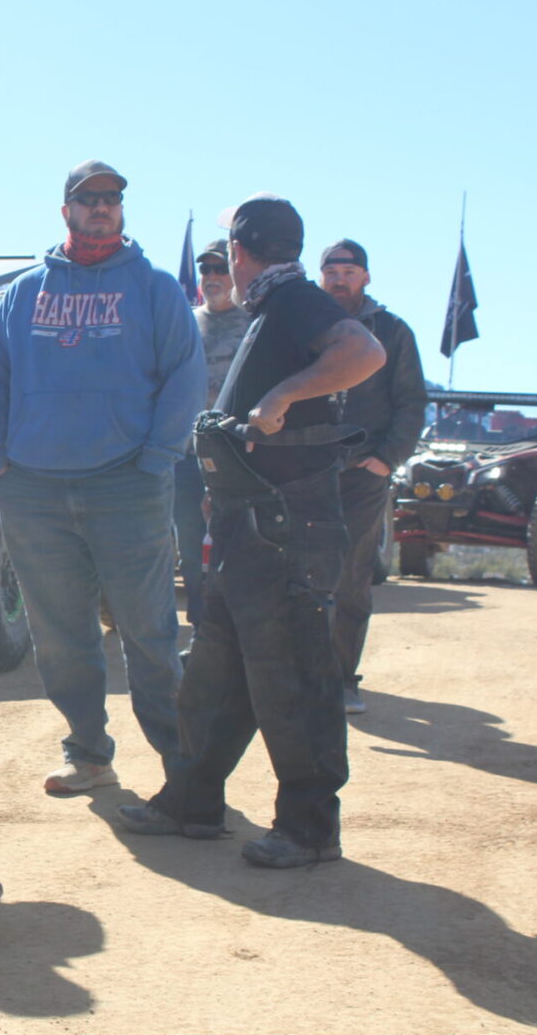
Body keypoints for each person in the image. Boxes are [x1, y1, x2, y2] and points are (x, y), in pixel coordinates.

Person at [117, 194, 385, 868]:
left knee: (292, 674)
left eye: (228, 253)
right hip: (250, 521)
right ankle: (193, 799)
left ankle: (310, 827)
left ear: (240, 251)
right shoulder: (271, 310)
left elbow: (365, 350)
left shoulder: (293, 301)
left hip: (286, 522)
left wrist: (282, 397)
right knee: (215, 674)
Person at [0, 159, 206, 794]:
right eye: (88, 199)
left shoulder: (156, 289)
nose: (101, 207)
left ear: (123, 209)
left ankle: (183, 769)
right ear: (66, 211)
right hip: (32, 488)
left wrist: (157, 459)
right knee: (60, 635)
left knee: (149, 630)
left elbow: (187, 378)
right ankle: (88, 753)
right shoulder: (26, 292)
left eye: (111, 198)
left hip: (126, 483)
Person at [319, 240, 427, 714]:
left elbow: (411, 402)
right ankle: (298, 679)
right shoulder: (303, 325)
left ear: (366, 277)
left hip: (363, 473)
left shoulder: (393, 332)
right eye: (332, 270)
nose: (340, 278)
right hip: (305, 469)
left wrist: (387, 459)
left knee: (349, 578)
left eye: (349, 270)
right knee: (294, 576)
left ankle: (342, 680)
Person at [176, 239, 253, 628]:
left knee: (238, 545)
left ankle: (235, 629)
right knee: (191, 548)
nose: (211, 277)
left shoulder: (253, 323)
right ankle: (201, 628)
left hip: (238, 458)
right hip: (186, 458)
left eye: (220, 268)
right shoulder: (184, 322)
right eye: (205, 269)